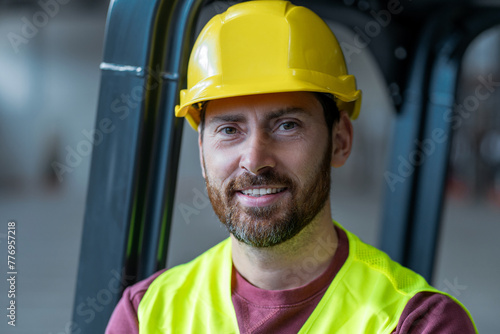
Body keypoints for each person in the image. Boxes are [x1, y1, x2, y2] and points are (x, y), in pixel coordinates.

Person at [106, 1, 477, 333]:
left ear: (341, 141)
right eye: (230, 130)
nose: (254, 160)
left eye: (287, 126)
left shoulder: (417, 322)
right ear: (202, 151)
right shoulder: (146, 315)